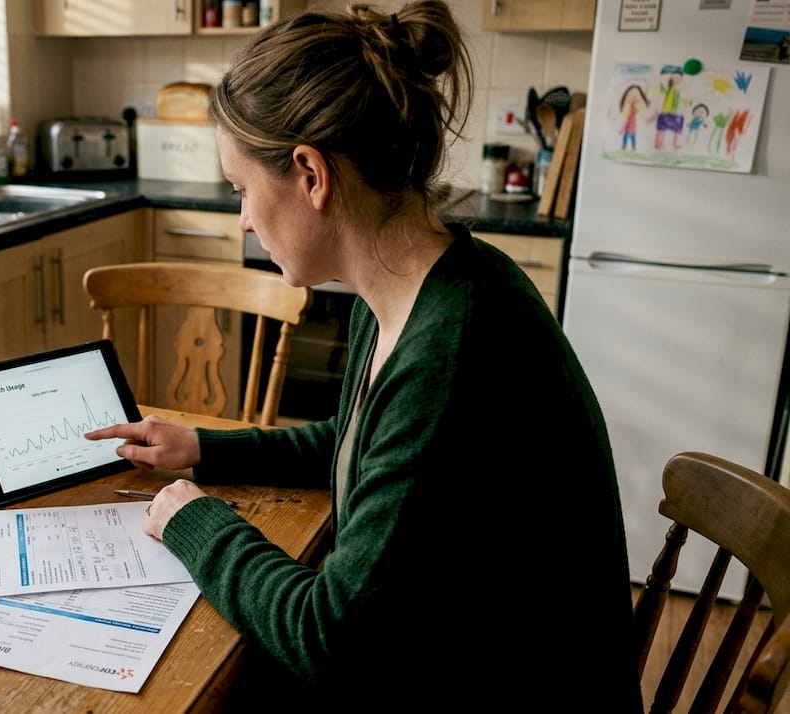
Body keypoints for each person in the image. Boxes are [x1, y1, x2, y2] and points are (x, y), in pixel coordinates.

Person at [86, 1, 639, 709]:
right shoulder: (417, 289)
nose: (245, 219)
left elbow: (331, 643)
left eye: (242, 190)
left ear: (311, 175)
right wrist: (203, 446)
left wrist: (196, 521)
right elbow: (363, 448)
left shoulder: (455, 347)